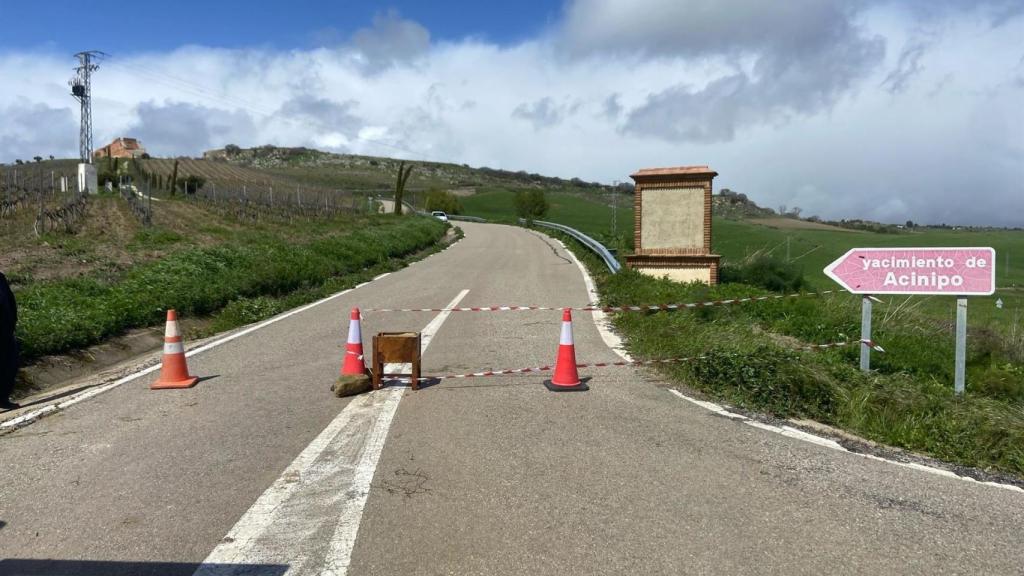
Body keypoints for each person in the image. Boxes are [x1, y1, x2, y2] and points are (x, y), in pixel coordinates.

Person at [0, 271, 20, 410]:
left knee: (9, 363)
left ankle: (2, 398)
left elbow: (10, 301)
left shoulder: (0, 278)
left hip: (5, 330)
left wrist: (12, 321)